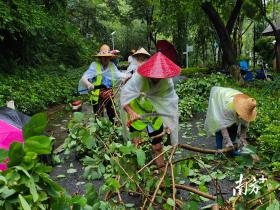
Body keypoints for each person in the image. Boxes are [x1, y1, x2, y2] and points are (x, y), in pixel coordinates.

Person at [120, 52, 181, 170]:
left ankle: (162, 171)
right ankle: (136, 173)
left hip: (154, 114)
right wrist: (131, 113)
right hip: (137, 110)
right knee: (135, 144)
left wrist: (169, 123)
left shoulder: (167, 82)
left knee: (157, 146)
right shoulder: (138, 78)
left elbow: (170, 103)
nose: (157, 78)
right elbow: (124, 97)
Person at [78, 44, 128, 122]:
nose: (105, 58)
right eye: (103, 57)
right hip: (97, 95)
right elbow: (84, 78)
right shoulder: (95, 65)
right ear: (100, 57)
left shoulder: (112, 66)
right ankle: (99, 131)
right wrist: (89, 84)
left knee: (112, 114)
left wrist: (128, 77)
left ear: (110, 57)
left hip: (109, 94)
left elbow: (119, 74)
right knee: (98, 116)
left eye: (107, 56)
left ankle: (113, 129)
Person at [204, 86, 257, 155]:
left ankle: (230, 150)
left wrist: (242, 137)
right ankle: (219, 149)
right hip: (220, 99)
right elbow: (222, 125)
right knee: (219, 129)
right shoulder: (228, 108)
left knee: (234, 127)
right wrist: (228, 140)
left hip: (232, 100)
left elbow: (245, 125)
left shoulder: (249, 108)